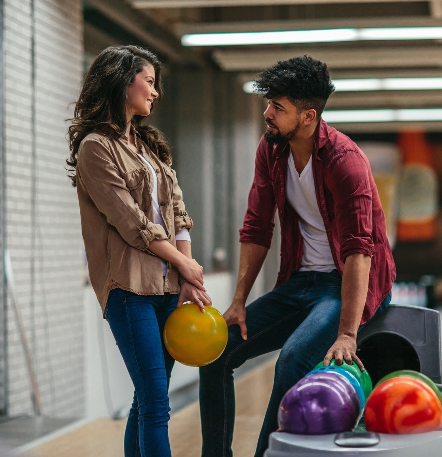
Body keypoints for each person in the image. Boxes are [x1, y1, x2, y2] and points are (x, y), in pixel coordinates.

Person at [199, 55, 396, 457]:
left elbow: (361, 251)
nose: (267, 113)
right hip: (300, 283)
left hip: (344, 284)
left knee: (291, 362)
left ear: (308, 117)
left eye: (278, 108)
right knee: (215, 354)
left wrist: (346, 333)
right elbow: (256, 226)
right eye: (269, 103)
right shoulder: (271, 150)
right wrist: (238, 301)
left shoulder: (346, 162)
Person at [67, 45, 211, 457]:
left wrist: (184, 276)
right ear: (122, 80)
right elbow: (131, 223)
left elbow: (178, 212)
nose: (155, 92)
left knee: (147, 398)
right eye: (149, 81)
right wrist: (185, 262)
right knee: (156, 402)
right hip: (128, 289)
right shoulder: (96, 147)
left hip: (166, 289)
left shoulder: (149, 148)